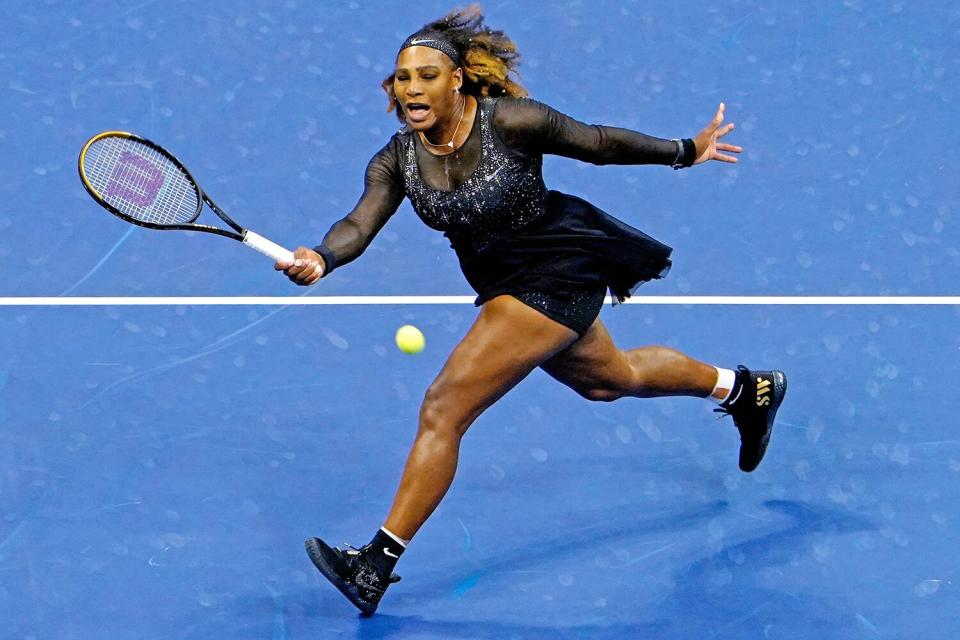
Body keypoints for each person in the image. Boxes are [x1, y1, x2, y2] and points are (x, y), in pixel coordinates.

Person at [277, 6, 787, 616]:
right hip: (503, 283)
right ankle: (747, 391)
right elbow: (360, 222)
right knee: (610, 380)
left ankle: (375, 565)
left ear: (457, 80)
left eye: (426, 75)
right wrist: (324, 257)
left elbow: (598, 142)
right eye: (402, 78)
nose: (411, 88)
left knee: (444, 407)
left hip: (558, 270)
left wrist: (685, 149)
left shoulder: (511, 123)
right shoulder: (396, 160)